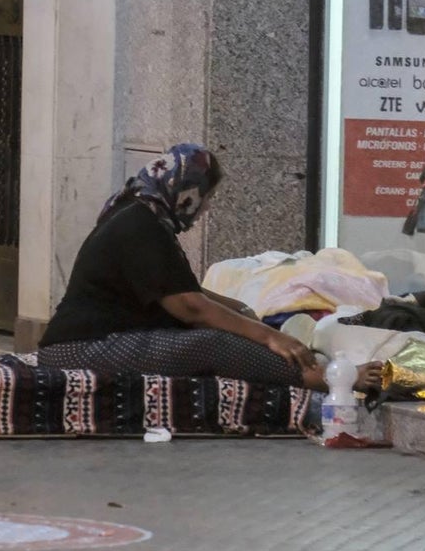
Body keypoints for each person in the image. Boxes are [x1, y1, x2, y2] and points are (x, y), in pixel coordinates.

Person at [37, 143, 383, 393]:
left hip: (105, 340)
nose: (204, 210)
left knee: (230, 327)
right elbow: (190, 308)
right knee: (208, 343)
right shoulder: (139, 225)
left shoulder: (140, 213)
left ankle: (311, 368)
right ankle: (316, 378)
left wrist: (241, 311)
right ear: (188, 191)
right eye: (207, 198)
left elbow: (176, 288)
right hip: (82, 349)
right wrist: (269, 336)